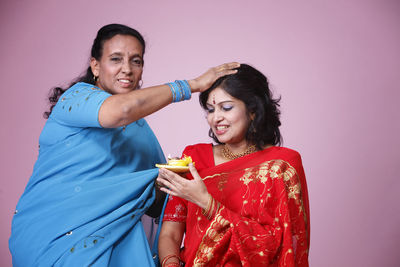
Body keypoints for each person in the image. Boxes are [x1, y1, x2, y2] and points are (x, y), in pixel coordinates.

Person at [9, 23, 239, 267]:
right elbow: (120, 111)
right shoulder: (76, 98)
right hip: (53, 236)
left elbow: (158, 198)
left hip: (114, 240)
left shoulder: (139, 129)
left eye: (136, 61)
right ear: (95, 65)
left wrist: (214, 178)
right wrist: (190, 86)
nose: (127, 69)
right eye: (116, 59)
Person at [157, 64, 310, 267]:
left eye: (226, 108)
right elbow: (170, 234)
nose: (216, 118)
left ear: (253, 111)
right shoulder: (193, 158)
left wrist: (206, 202)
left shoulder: (281, 166)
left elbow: (279, 246)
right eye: (210, 110)